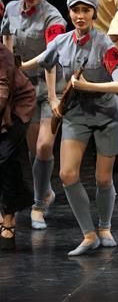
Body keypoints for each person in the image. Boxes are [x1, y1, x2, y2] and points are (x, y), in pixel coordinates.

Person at [38, 0, 118, 256]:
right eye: (75, 11)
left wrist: (89, 86)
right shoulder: (62, 41)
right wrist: (53, 97)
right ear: (69, 13)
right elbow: (46, 62)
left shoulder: (105, 45)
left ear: (94, 14)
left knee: (103, 178)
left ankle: (105, 227)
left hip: (108, 114)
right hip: (77, 113)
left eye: (86, 11)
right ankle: (89, 234)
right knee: (67, 174)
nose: (80, 16)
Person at [0, 0, 66, 230]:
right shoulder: (11, 9)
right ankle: (45, 191)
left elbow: (52, 51)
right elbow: (6, 40)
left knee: (44, 146)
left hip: (50, 85)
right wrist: (9, 69)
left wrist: (22, 66)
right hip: (24, 90)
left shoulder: (52, 16)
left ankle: (39, 204)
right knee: (32, 148)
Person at [0, 45, 37, 251]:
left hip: (16, 107)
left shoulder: (2, 54)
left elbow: (2, 90)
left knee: (5, 158)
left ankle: (8, 217)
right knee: (8, 161)